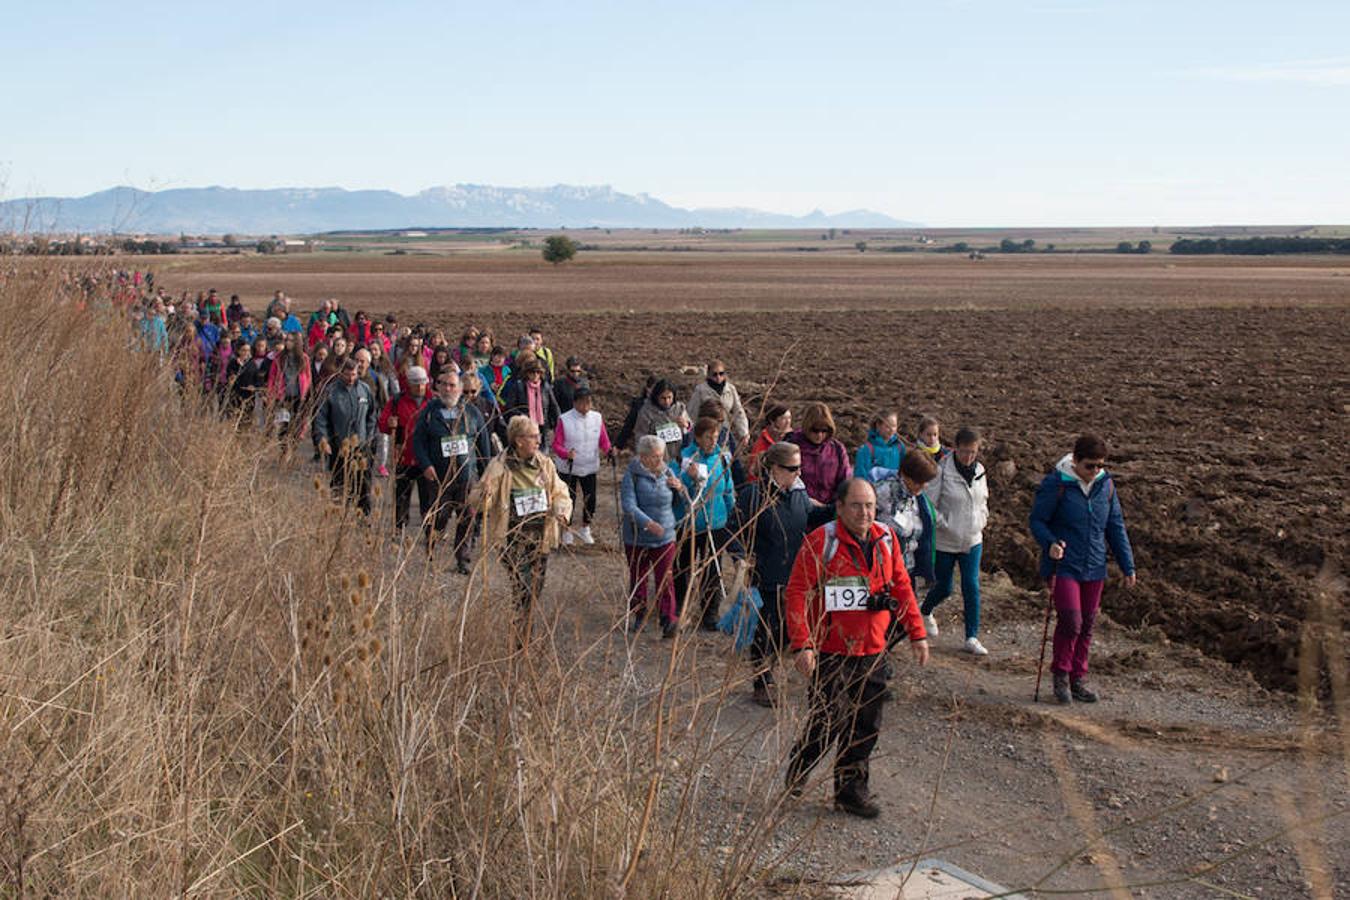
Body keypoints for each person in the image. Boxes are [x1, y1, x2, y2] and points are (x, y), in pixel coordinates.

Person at [783, 478, 929, 819]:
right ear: (840, 507)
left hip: (873, 650)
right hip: (831, 649)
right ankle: (799, 768)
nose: (865, 513)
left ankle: (850, 792)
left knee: (866, 724)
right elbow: (797, 592)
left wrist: (917, 633)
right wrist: (803, 644)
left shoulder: (886, 539)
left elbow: (903, 588)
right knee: (828, 721)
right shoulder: (823, 542)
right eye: (856, 506)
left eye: (870, 506)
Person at [1029, 433, 1137, 704]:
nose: (1095, 471)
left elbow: (1115, 527)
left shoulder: (1106, 487)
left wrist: (1128, 565)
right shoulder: (1057, 485)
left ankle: (1078, 678)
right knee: (1071, 621)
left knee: (1087, 624)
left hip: (1094, 565)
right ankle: (1061, 675)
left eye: (1100, 466)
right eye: (1090, 465)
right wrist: (1050, 542)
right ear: (1075, 460)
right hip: (1064, 564)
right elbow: (1037, 521)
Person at [736, 441, 834, 706]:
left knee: (788, 629)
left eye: (799, 468)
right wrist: (742, 557)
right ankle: (762, 681)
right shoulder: (753, 496)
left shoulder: (798, 494)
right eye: (792, 468)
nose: (798, 473)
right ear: (774, 468)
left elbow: (813, 516)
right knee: (765, 630)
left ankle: (770, 668)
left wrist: (840, 505)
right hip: (765, 575)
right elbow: (732, 528)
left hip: (795, 576)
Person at [467, 416, 572, 624]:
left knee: (536, 586)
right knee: (522, 585)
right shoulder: (499, 466)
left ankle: (524, 623)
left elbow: (561, 492)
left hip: (540, 535)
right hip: (512, 536)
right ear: (518, 440)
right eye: (533, 436)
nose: (539, 440)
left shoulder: (545, 464)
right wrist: (485, 494)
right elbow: (477, 503)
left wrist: (561, 510)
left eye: (538, 436)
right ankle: (521, 629)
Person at [412, 370, 493, 570]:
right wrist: (426, 465)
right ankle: (431, 553)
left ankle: (463, 560)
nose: (448, 389)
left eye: (452, 385)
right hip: (439, 477)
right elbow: (418, 442)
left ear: (459, 388)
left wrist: (487, 476)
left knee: (467, 519)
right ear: (438, 387)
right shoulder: (429, 413)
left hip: (467, 477)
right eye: (444, 385)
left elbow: (484, 446)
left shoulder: (471, 412)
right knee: (438, 518)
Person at [920, 427, 990, 655]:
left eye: (973, 452)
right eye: (964, 451)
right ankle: (925, 610)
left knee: (971, 585)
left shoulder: (980, 471)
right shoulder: (942, 470)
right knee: (944, 586)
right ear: (955, 448)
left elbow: (983, 501)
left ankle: (972, 636)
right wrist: (943, 524)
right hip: (946, 540)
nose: (968, 457)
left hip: (972, 539)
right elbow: (929, 502)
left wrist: (982, 520)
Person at [672, 417, 737, 630]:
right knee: (683, 569)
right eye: (708, 437)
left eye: (716, 437)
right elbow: (677, 490)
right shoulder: (684, 458)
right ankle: (679, 611)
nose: (712, 441)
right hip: (689, 524)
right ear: (697, 437)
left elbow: (728, 488)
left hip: (716, 523)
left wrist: (731, 513)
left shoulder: (721, 459)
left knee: (712, 571)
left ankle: (709, 614)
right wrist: (690, 479)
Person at [620, 435, 687, 636]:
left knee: (665, 578)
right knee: (639, 577)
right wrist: (648, 523)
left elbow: (681, 501)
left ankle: (668, 619)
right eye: (654, 457)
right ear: (643, 457)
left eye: (661, 455)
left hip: (666, 536)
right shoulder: (631, 474)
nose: (659, 460)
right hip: (637, 537)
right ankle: (639, 614)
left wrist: (679, 488)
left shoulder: (667, 470)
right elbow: (628, 505)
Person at [313, 357, 379, 515]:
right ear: (341, 373)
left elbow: (372, 415)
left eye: (354, 374)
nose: (351, 378)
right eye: (348, 374)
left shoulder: (364, 389)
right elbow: (320, 418)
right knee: (339, 485)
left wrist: (370, 436)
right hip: (339, 446)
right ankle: (339, 516)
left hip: (362, 446)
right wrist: (323, 439)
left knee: (363, 484)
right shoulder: (331, 391)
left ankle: (364, 517)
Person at [551, 386, 614, 545]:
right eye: (582, 403)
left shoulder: (597, 418)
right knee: (568, 499)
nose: (586, 406)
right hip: (568, 467)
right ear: (575, 403)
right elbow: (556, 445)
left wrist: (608, 451)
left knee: (590, 499)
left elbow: (603, 440)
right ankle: (566, 530)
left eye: (589, 403)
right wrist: (566, 454)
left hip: (589, 465)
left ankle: (585, 528)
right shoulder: (564, 419)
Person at [379, 365, 431, 534]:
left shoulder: (433, 402)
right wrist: (389, 423)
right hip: (404, 456)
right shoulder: (396, 401)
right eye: (416, 383)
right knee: (402, 495)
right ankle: (399, 528)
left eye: (423, 382)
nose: (420, 386)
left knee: (428, 497)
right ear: (409, 383)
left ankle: (429, 530)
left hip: (426, 458)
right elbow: (383, 423)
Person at [788, 402, 852, 505]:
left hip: (830, 507)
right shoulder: (792, 446)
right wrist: (805, 500)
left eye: (824, 431)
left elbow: (845, 480)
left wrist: (836, 503)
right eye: (815, 430)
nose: (819, 435)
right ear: (807, 427)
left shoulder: (837, 449)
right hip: (800, 505)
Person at [687, 359, 751, 445]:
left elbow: (738, 412)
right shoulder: (701, 390)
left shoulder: (730, 389)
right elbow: (692, 413)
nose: (718, 377)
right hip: (706, 434)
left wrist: (744, 433)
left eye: (721, 374)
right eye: (714, 374)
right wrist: (690, 435)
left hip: (724, 432)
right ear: (709, 375)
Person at [497, 359, 559, 444]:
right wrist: (524, 416)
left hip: (543, 428)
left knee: (542, 453)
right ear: (527, 373)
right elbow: (509, 407)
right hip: (524, 428)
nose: (535, 375)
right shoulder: (519, 386)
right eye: (532, 372)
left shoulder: (545, 387)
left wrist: (557, 426)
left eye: (538, 372)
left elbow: (554, 407)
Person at [633, 378, 690, 461]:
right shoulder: (647, 412)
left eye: (669, 397)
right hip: (656, 458)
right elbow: (640, 436)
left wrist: (686, 425)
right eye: (663, 398)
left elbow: (690, 429)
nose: (667, 401)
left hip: (679, 456)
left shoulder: (680, 408)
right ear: (656, 397)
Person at [855, 411, 904, 483]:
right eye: (887, 426)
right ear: (878, 426)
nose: (891, 430)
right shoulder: (866, 449)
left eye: (894, 426)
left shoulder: (899, 447)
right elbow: (860, 477)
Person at [748, 404, 791, 481]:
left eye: (789, 418)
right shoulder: (761, 444)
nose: (788, 422)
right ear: (772, 421)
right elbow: (754, 473)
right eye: (783, 418)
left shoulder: (792, 438)